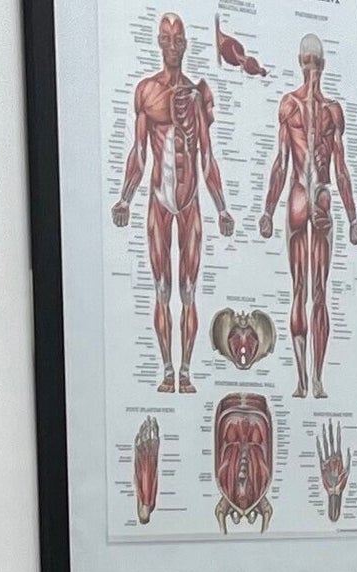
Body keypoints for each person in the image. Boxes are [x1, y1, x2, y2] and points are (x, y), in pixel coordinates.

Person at [113, 13, 234, 395]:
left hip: (190, 201)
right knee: (162, 288)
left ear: (184, 43)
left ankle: (186, 369)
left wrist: (222, 206)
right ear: (159, 42)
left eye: (177, 37)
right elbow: (138, 151)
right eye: (165, 37)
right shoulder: (146, 92)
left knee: (188, 291)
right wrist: (125, 198)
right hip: (158, 201)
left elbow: (207, 158)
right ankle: (168, 370)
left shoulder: (198, 95)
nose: (172, 44)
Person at [259, 36, 357, 398]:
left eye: (314, 61)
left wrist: (352, 216)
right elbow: (280, 163)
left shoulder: (328, 111)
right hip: (306, 197)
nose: (311, 68)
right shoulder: (294, 107)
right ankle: (305, 378)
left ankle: (313, 378)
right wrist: (268, 209)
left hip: (314, 199)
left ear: (320, 64)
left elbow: (341, 169)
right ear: (303, 62)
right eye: (307, 61)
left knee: (315, 291)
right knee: (304, 290)